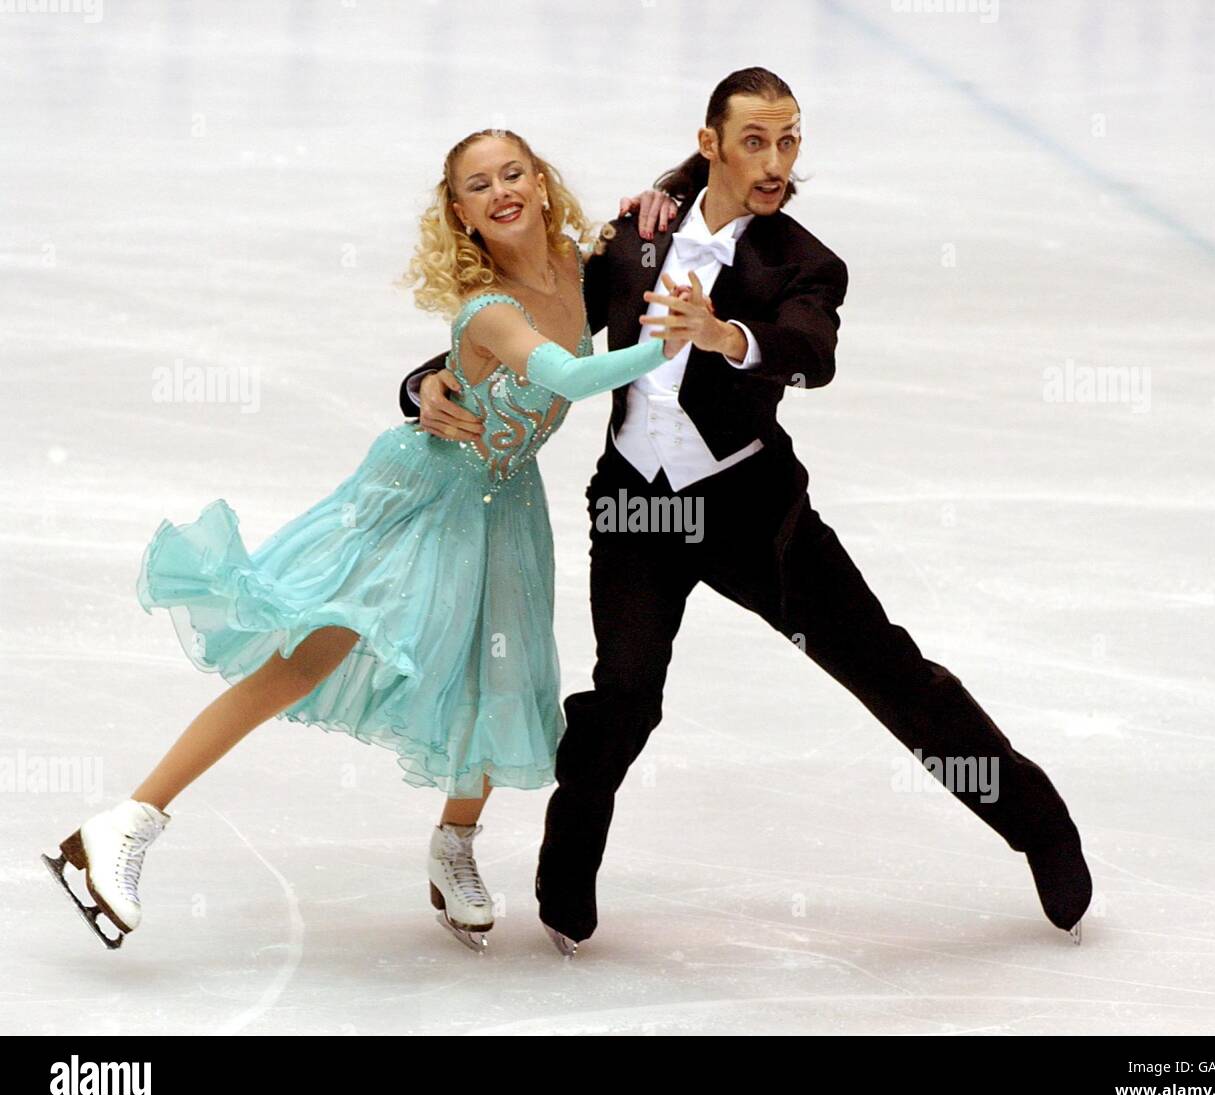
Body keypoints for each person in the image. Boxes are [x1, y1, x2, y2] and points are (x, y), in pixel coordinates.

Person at [401, 68, 1094, 958]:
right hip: (637, 509)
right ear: (711, 145)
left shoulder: (802, 261)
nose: (776, 161)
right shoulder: (629, 243)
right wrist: (422, 384)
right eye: (756, 141)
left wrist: (726, 334)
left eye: (790, 139)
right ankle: (564, 875)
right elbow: (522, 327)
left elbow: (811, 354)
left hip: (753, 512)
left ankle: (1040, 827)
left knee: (887, 670)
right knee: (623, 698)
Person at [43, 127, 683, 953]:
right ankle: (122, 824)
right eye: (479, 186)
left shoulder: (578, 264)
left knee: (495, 672)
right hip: (428, 491)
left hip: (506, 502)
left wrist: (664, 191)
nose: (502, 192)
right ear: (461, 213)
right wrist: (669, 341)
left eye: (514, 172)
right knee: (311, 653)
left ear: (543, 180)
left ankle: (454, 844)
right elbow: (563, 376)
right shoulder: (489, 306)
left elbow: (693, 183)